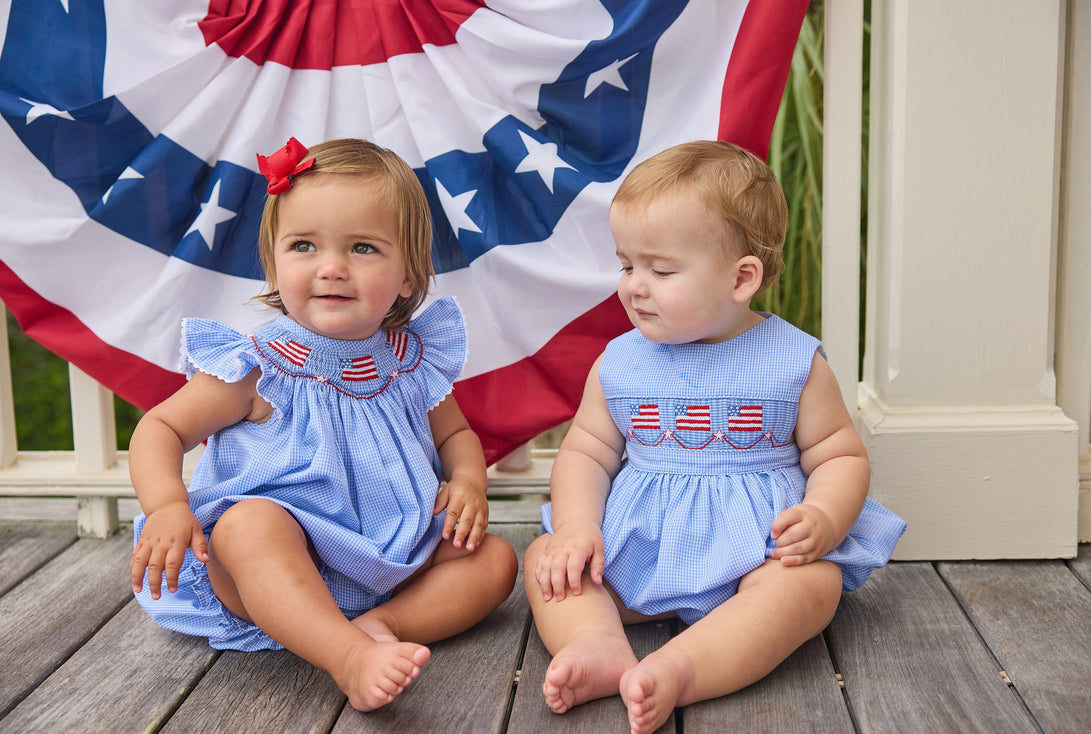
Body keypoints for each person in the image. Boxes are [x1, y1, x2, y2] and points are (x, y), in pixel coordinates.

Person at [523, 140, 906, 734]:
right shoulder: (620, 362)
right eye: (627, 265)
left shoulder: (793, 361)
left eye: (661, 270)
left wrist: (825, 517)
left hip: (759, 551)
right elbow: (587, 452)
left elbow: (839, 454)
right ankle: (597, 644)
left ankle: (686, 667)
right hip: (637, 547)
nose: (634, 286)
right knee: (548, 564)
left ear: (741, 277)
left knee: (811, 587)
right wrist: (577, 528)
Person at [130, 137, 518, 712]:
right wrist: (167, 505)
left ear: (409, 276)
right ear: (275, 262)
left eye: (362, 248)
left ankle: (379, 626)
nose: (331, 267)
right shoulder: (257, 366)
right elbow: (160, 429)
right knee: (248, 525)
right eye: (304, 245)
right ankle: (347, 656)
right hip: (274, 573)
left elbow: (455, 437)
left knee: (496, 560)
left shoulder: (410, 361)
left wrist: (467, 481)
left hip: (396, 559)